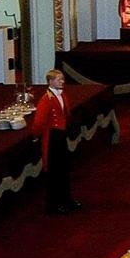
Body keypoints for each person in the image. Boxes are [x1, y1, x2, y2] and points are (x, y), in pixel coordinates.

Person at [31, 74, 76, 214]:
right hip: (52, 138)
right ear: (50, 81)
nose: (62, 81)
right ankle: (54, 204)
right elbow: (38, 122)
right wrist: (36, 136)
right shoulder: (46, 100)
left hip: (61, 135)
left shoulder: (62, 95)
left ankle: (66, 199)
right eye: (59, 79)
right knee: (54, 171)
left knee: (63, 169)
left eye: (62, 79)